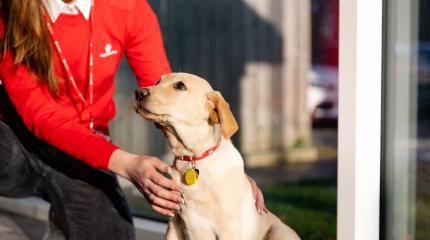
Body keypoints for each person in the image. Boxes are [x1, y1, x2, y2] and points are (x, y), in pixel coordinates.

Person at [0, 0, 267, 239]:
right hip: (16, 145)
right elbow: (40, 114)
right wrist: (126, 163)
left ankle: (62, 213)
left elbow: (164, 100)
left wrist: (228, 175)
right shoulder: (11, 11)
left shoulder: (129, 7)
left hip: (86, 150)